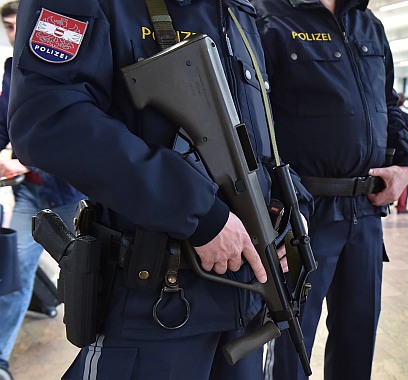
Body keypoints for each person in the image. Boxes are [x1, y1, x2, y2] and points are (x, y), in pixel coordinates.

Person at [9, 1, 311, 379]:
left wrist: (290, 205)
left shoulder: (239, 8)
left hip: (244, 301)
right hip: (157, 303)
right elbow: (48, 120)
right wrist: (199, 213)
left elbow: (256, 131)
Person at [252, 1, 408, 378]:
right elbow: (254, 119)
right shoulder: (266, 18)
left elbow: (389, 104)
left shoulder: (368, 25)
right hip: (301, 215)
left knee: (358, 338)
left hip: (365, 215)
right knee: (289, 343)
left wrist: (406, 166)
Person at [0, 2, 84, 379]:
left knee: (87, 283)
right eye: (8, 29)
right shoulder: (10, 71)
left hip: (73, 199)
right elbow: (8, 123)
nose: (14, 36)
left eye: (20, 27)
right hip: (31, 197)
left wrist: (28, 161)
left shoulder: (70, 67)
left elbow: (69, 134)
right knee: (13, 277)